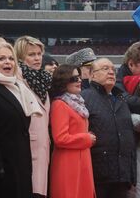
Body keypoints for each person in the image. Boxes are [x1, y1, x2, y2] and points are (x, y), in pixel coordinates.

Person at [0, 43, 41, 198]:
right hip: (0, 169)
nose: (8, 62)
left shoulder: (18, 88)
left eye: (11, 58)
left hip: (20, 164)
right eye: (1, 58)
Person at [81, 58, 135, 198]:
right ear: (92, 75)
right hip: (97, 174)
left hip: (122, 174)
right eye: (105, 69)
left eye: (113, 69)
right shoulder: (83, 98)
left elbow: (129, 134)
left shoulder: (121, 99)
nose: (111, 72)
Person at [48, 65, 95, 198]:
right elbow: (60, 138)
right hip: (68, 164)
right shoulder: (59, 104)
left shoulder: (78, 104)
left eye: (79, 77)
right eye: (74, 78)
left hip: (81, 161)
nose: (79, 80)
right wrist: (86, 138)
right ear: (64, 81)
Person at [14, 36, 51, 198]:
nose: (37, 58)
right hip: (24, 147)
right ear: (21, 57)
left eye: (39, 54)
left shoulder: (44, 80)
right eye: (31, 54)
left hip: (43, 147)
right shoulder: (17, 80)